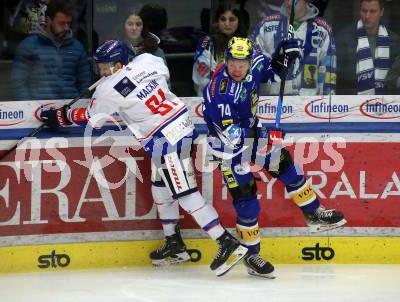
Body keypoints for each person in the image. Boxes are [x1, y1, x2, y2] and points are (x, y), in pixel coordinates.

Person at [39, 39, 248, 277]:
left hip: (166, 139)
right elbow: (158, 70)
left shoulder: (107, 90)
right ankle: (174, 244)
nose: (102, 71)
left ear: (118, 64)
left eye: (106, 66)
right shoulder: (150, 60)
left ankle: (225, 242)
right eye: (100, 66)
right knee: (161, 188)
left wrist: (60, 117)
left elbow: (90, 116)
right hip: (182, 126)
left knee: (185, 193)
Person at [201, 37, 346, 278]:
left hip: (253, 132)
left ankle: (314, 212)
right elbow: (231, 134)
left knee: (288, 166)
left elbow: (273, 72)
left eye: (242, 63)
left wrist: (283, 55)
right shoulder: (218, 92)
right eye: (232, 63)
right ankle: (251, 255)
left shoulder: (255, 62)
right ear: (224, 61)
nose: (237, 68)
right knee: (247, 203)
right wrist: (263, 135)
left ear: (249, 60)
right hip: (227, 148)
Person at [251, 0, 336, 96]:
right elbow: (251, 67)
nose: (289, 3)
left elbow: (328, 73)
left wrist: (326, 106)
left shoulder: (323, 30)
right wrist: (274, 64)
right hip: (272, 104)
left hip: (310, 105)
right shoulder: (266, 26)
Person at [11, 0, 90, 100]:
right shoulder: (29, 46)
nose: (66, 28)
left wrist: (80, 105)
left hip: (70, 109)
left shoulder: (77, 48)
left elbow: (85, 83)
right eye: (61, 23)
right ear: (48, 20)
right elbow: (19, 83)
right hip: (37, 109)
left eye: (68, 23)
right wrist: (29, 107)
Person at [335, 0, 400, 94]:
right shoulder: (344, 37)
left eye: (372, 11)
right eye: (364, 11)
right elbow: (339, 73)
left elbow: (394, 76)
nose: (367, 16)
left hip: (386, 102)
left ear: (381, 12)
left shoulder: (395, 41)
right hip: (351, 100)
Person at [192, 5, 249, 96]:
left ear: (239, 22)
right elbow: (202, 77)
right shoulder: (206, 41)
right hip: (213, 95)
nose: (227, 24)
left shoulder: (248, 43)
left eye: (231, 20)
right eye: (223, 19)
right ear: (217, 22)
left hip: (239, 95)